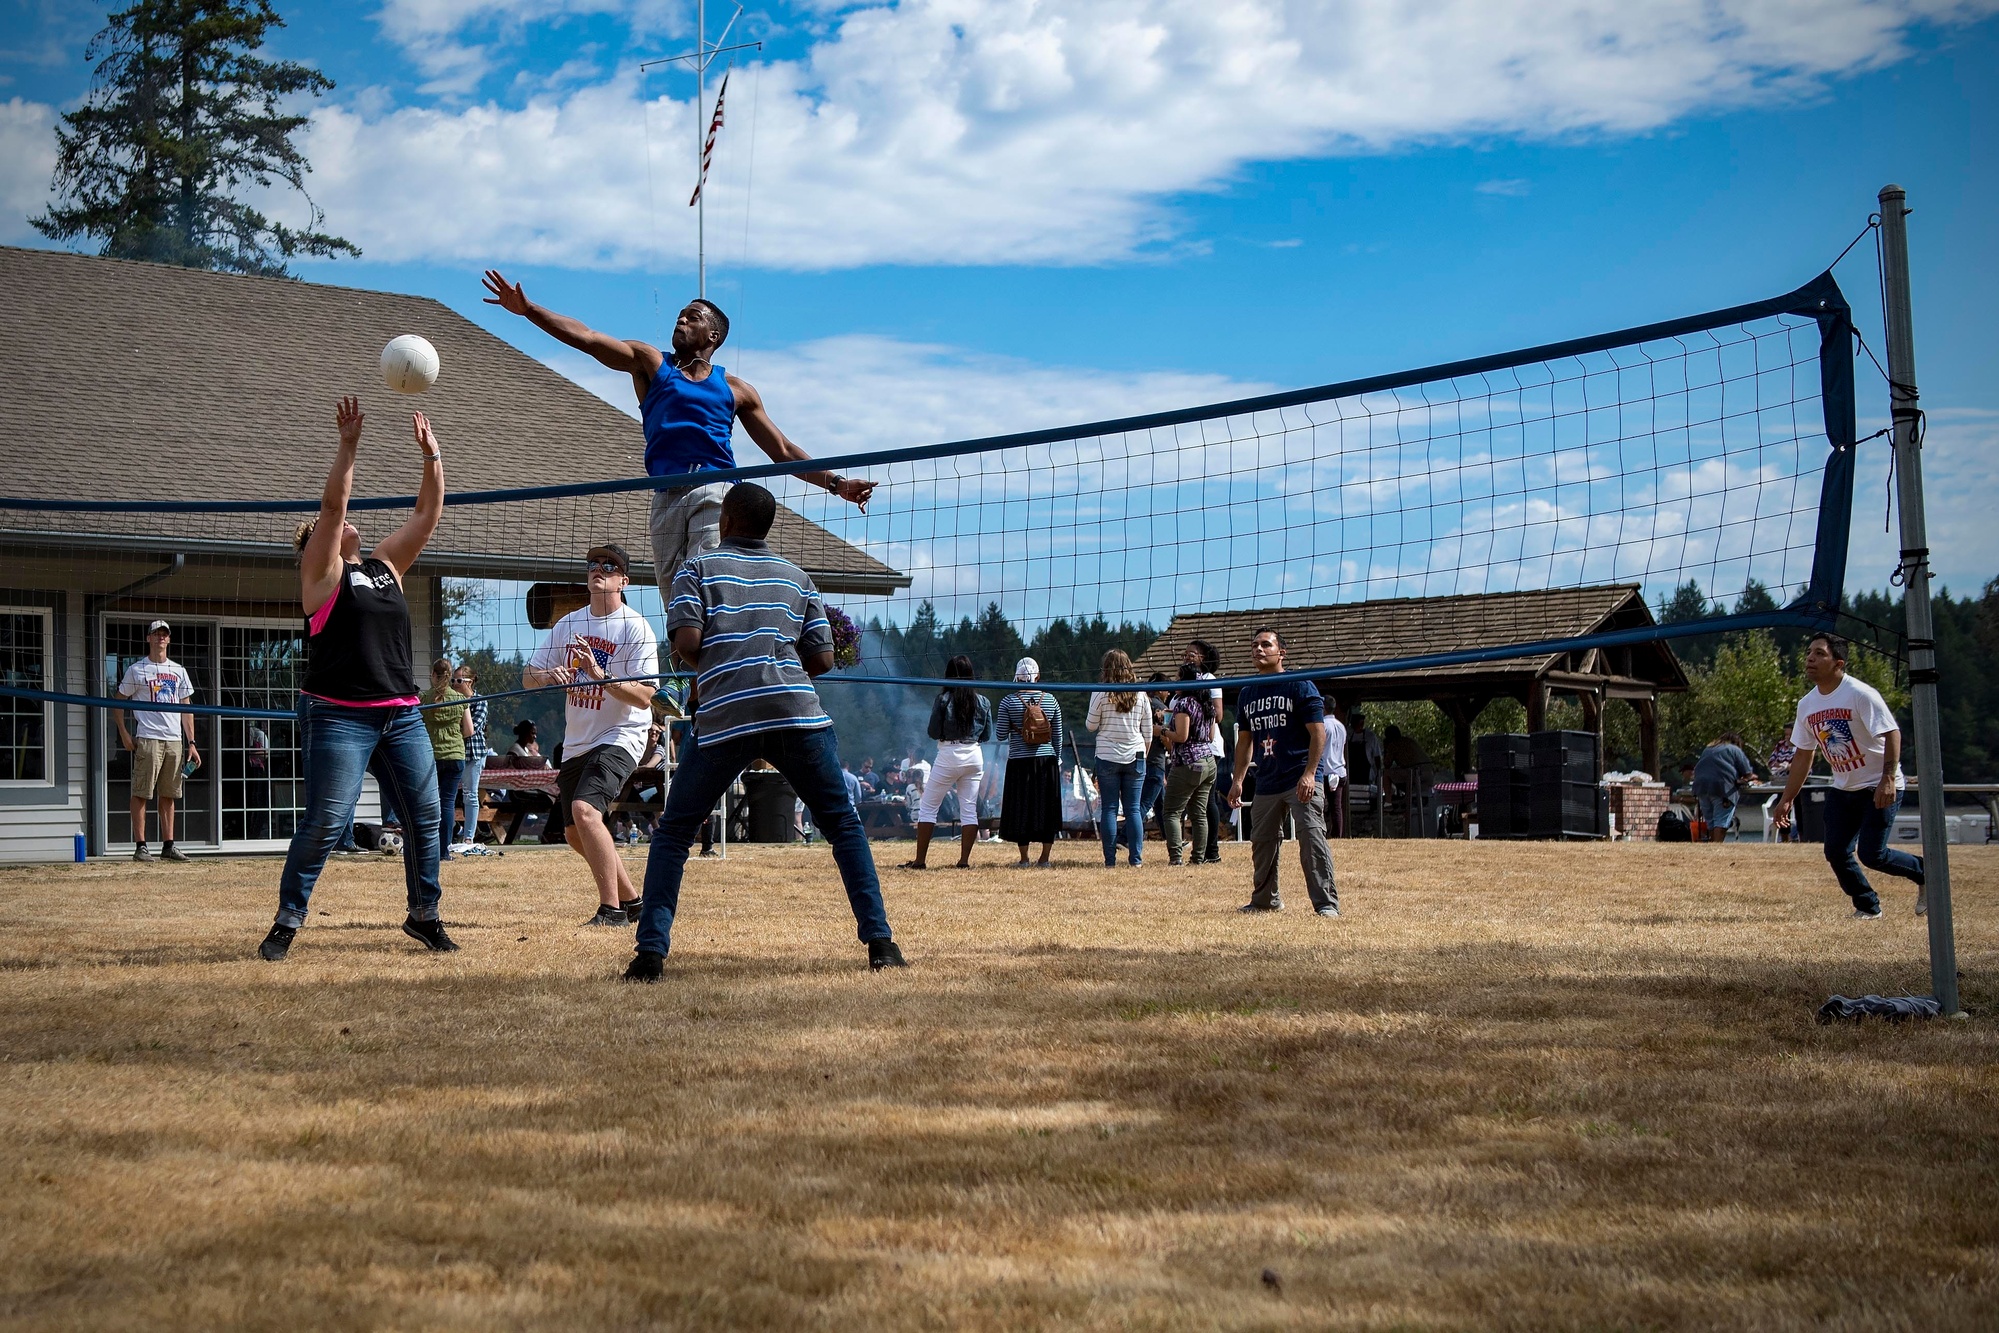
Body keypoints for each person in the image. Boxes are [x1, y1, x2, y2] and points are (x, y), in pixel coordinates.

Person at [625, 483, 904, 980]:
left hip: (726, 713)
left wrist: (721, 669)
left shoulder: (697, 569)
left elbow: (687, 641)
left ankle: (650, 955)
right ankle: (881, 944)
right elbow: (820, 657)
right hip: (796, 713)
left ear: (725, 522)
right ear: (768, 526)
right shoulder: (798, 578)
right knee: (842, 826)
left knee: (674, 834)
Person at [480, 273, 878, 586]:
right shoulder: (651, 364)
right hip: (664, 495)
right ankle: (690, 684)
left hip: (713, 488)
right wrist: (528, 309)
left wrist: (836, 484)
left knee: (703, 579)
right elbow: (588, 338)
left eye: (693, 316)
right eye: (679, 314)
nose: (681, 318)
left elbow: (783, 451)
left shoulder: (737, 390)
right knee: (677, 602)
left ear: (713, 336)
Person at [260, 399, 454, 962]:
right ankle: (287, 923)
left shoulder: (383, 567)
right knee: (324, 822)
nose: (348, 522)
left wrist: (432, 456)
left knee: (425, 818)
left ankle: (424, 917)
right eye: (334, 526)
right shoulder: (321, 576)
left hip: (400, 712)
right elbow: (332, 503)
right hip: (339, 712)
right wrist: (348, 445)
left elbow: (427, 515)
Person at [523, 542, 659, 927]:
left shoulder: (635, 626)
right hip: (578, 738)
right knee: (573, 832)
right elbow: (527, 677)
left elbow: (646, 695)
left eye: (609, 566)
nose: (598, 569)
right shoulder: (568, 623)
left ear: (623, 581)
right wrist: (551, 676)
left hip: (621, 734)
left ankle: (611, 910)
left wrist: (603, 677)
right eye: (592, 565)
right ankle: (634, 902)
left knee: (586, 812)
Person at [1771, 632, 1925, 919]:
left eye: (1819, 653)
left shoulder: (1860, 694)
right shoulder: (1807, 704)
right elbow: (1804, 755)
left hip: (1878, 786)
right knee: (1836, 851)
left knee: (1872, 855)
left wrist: (1888, 779)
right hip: (1843, 788)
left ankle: (1925, 873)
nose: (1810, 658)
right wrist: (1787, 798)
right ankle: (1867, 906)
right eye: (1809, 652)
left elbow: (1892, 733)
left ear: (1838, 663)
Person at [1228, 628, 1338, 916]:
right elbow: (1244, 742)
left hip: (1299, 776)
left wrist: (1311, 773)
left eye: (1266, 644)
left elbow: (1318, 734)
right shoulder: (1247, 693)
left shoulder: (1299, 685)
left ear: (1281, 652)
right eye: (1254, 645)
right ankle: (1265, 900)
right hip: (1266, 780)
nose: (1258, 650)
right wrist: (1238, 780)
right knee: (1262, 843)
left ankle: (1326, 904)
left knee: (1311, 839)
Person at [115, 619, 200, 862]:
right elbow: (118, 702)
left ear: (169, 639)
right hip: (148, 738)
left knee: (169, 794)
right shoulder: (137, 670)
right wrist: (124, 733)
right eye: (156, 634)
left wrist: (191, 743)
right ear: (148, 638)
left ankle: (168, 846)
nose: (160, 638)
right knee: (141, 792)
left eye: (164, 634)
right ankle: (141, 846)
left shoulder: (178, 671)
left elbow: (187, 709)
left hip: (174, 740)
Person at [905, 655, 994, 870]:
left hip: (949, 753)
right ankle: (963, 861)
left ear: (948, 674)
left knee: (928, 807)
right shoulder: (983, 701)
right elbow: (987, 734)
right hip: (973, 753)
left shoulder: (943, 699)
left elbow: (933, 731)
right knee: (969, 810)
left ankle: (920, 861)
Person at [994, 658, 1065, 867]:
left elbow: (999, 735)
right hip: (1047, 762)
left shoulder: (1008, 701)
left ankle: (1024, 858)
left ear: (1016, 676)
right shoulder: (1051, 700)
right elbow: (1058, 736)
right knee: (1046, 808)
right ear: (1038, 676)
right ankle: (1044, 858)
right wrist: (1056, 758)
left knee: (1021, 808)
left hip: (1019, 762)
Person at [1086, 649, 1153, 868]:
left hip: (1107, 756)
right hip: (1135, 755)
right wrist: (1144, 755)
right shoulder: (1141, 693)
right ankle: (1136, 860)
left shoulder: (1100, 692)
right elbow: (1149, 732)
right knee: (1133, 809)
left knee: (1110, 809)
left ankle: (1110, 861)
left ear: (1106, 668)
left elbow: (1090, 726)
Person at [1160, 664, 1219, 866]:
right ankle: (1198, 858)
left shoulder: (1184, 704)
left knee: (1171, 812)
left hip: (1188, 762)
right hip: (1209, 762)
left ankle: (1176, 859)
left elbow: (1181, 736)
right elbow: (1210, 736)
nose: (1175, 683)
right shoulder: (1207, 704)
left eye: (1178, 678)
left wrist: (1162, 730)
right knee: (1199, 813)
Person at [420, 658, 474, 860]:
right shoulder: (459, 699)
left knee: (429, 804)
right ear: (450, 676)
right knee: (447, 803)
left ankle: (427, 850)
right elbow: (469, 731)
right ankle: (444, 852)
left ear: (433, 675)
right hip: (455, 756)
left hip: (431, 756)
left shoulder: (424, 698)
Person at [1183, 639, 1228, 863]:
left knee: (1207, 799)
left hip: (1208, 746)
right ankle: (1202, 850)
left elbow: (1218, 716)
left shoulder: (1209, 680)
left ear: (1203, 657)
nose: (1188, 657)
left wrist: (1196, 710)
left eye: (1193, 654)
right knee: (1195, 801)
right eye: (1186, 654)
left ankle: (1212, 851)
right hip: (1188, 747)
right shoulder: (1184, 680)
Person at [1691, 732, 1757, 843]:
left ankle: (1712, 846)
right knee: (1721, 821)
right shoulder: (1734, 749)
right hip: (1723, 788)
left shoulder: (1708, 749)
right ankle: (1717, 847)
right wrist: (1751, 777)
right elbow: (1747, 773)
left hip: (1701, 787)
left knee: (1711, 821)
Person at [453, 663, 490, 844]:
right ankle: (454, 830)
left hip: (473, 753)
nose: (455, 684)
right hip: (453, 752)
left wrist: (454, 729)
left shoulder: (480, 701)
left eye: (459, 680)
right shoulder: (450, 699)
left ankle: (469, 836)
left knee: (470, 794)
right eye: (452, 680)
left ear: (471, 681)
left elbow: (471, 728)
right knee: (445, 795)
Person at [1319, 697, 1349, 839]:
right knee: (1336, 807)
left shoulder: (1322, 725)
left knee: (1318, 805)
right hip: (1339, 769)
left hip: (1325, 770)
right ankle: (1337, 834)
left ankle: (1321, 832)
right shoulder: (1341, 726)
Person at [1347, 711, 1383, 787]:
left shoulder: (1370, 736)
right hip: (1350, 774)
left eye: (1361, 723)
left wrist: (1378, 775)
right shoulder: (1347, 734)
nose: (1359, 726)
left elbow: (1377, 757)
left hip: (1366, 775)